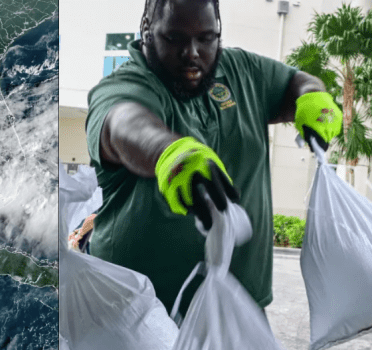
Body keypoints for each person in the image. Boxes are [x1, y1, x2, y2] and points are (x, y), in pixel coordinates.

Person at [85, 0, 341, 317]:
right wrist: (170, 153)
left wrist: (314, 96)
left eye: (206, 38)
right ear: (147, 30)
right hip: (139, 318)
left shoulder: (243, 72)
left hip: (242, 309)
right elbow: (126, 124)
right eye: (174, 38)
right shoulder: (126, 84)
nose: (192, 52)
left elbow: (297, 82)